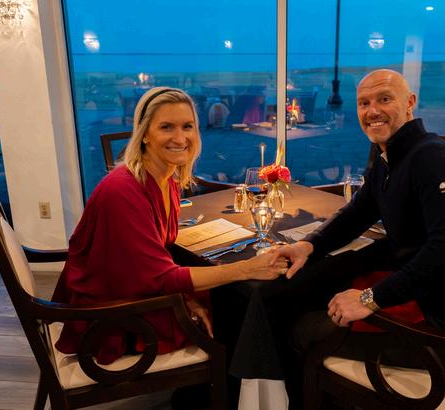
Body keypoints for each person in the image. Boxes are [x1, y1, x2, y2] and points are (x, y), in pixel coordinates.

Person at [271, 69, 445, 373]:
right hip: (420, 297)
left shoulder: (435, 159)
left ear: (410, 102)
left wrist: (371, 298)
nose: (372, 111)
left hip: (444, 329)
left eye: (384, 99)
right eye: (364, 103)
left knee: (301, 329)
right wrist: (308, 246)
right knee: (312, 299)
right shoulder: (389, 156)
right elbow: (357, 213)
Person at [52, 87, 288, 365]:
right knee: (233, 309)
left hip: (139, 294)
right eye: (166, 127)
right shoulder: (122, 191)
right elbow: (159, 278)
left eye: (187, 126)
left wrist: (186, 297)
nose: (180, 138)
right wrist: (247, 268)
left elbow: (151, 266)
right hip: (115, 320)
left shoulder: (168, 180)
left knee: (227, 301)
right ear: (144, 134)